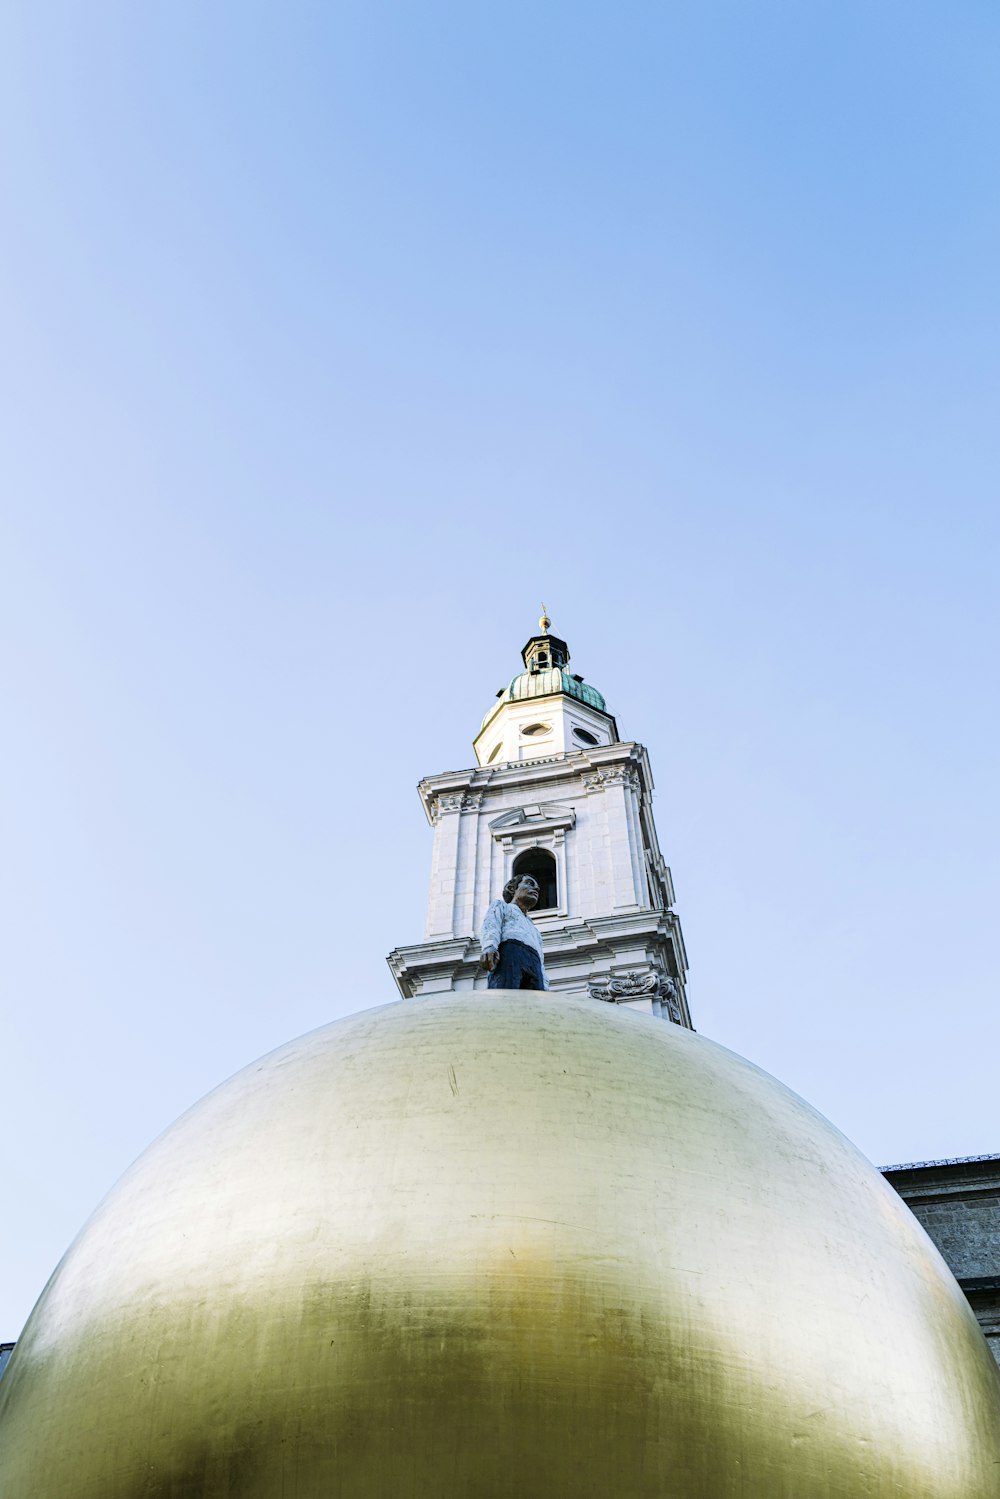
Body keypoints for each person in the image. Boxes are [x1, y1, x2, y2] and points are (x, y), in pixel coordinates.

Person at [480, 874, 549, 990]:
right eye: (529, 884)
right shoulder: (502, 906)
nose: (536, 889)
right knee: (506, 993)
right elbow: (491, 925)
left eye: (537, 888)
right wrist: (489, 946)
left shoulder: (534, 929)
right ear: (512, 889)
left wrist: (545, 984)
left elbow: (541, 959)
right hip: (510, 953)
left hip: (534, 961)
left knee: (536, 1002)